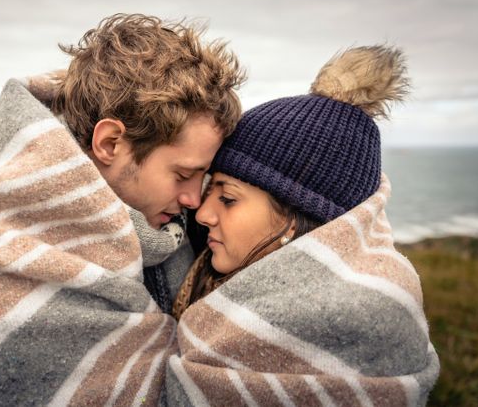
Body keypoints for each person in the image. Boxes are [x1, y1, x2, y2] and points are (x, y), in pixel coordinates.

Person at [0, 14, 244, 406]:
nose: (193, 199)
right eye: (183, 174)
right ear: (111, 143)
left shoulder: (170, 235)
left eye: (202, 178)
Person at [167, 45, 440, 406]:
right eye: (208, 188)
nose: (203, 214)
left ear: (301, 216)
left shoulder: (360, 317)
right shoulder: (193, 266)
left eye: (228, 198)